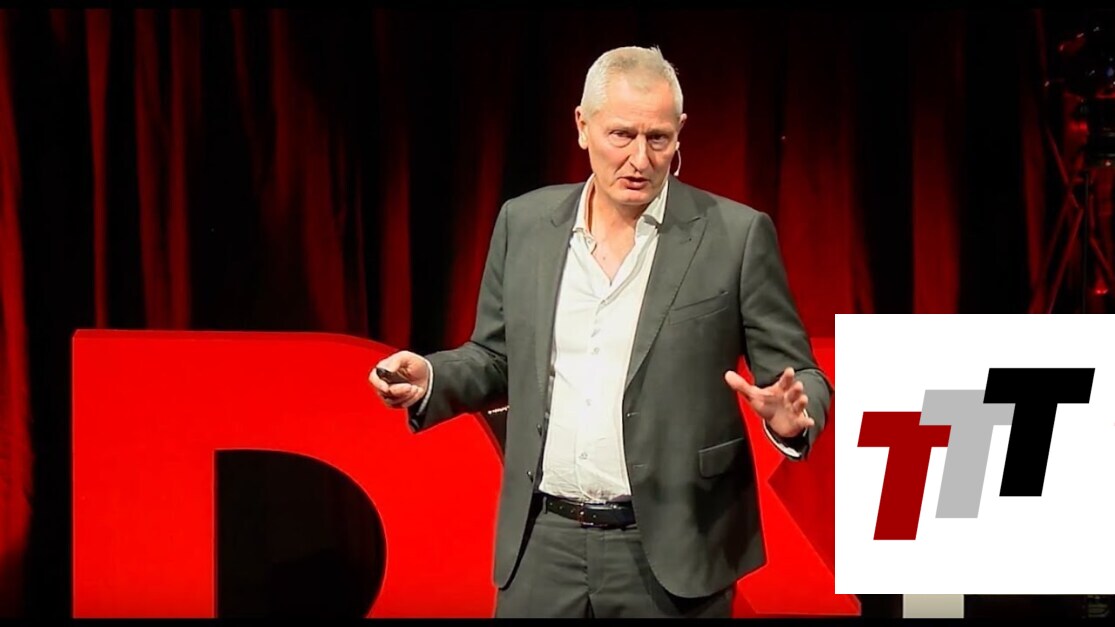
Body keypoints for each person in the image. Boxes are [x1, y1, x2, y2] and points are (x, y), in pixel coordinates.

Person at [369, 45, 832, 619]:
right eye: (621, 135)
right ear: (582, 126)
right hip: (543, 545)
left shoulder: (735, 236)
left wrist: (793, 418)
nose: (640, 158)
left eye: (658, 138)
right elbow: (497, 356)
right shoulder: (525, 223)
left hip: (675, 548)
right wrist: (432, 377)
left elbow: (800, 373)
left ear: (680, 133)